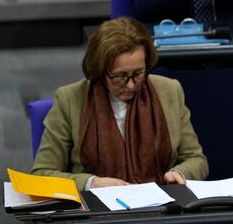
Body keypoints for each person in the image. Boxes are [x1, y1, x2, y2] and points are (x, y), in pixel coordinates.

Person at [31, 17, 209, 191]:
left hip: (162, 206)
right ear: (99, 71)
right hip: (95, 211)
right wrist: (91, 183)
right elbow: (41, 175)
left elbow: (196, 159)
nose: (131, 84)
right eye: (119, 76)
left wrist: (179, 173)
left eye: (139, 73)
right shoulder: (70, 99)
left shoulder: (169, 90)